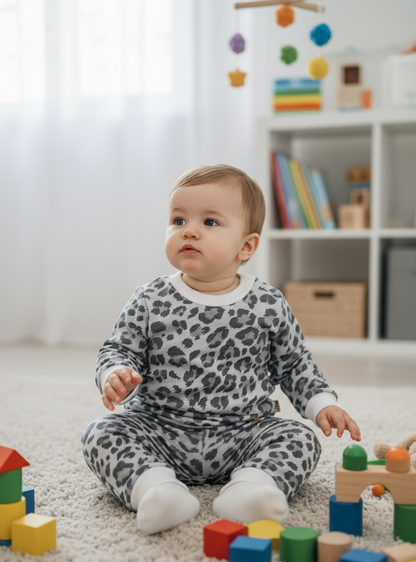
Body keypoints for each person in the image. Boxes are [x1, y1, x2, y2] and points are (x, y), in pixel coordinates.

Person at [81, 164, 361, 535]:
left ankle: (251, 488)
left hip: (243, 432)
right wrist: (114, 374)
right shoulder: (150, 298)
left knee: (300, 439)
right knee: (100, 433)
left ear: (246, 246)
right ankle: (156, 489)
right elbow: (119, 348)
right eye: (178, 220)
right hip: (158, 429)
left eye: (209, 222)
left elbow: (293, 364)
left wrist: (322, 403)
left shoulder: (267, 303)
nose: (189, 230)